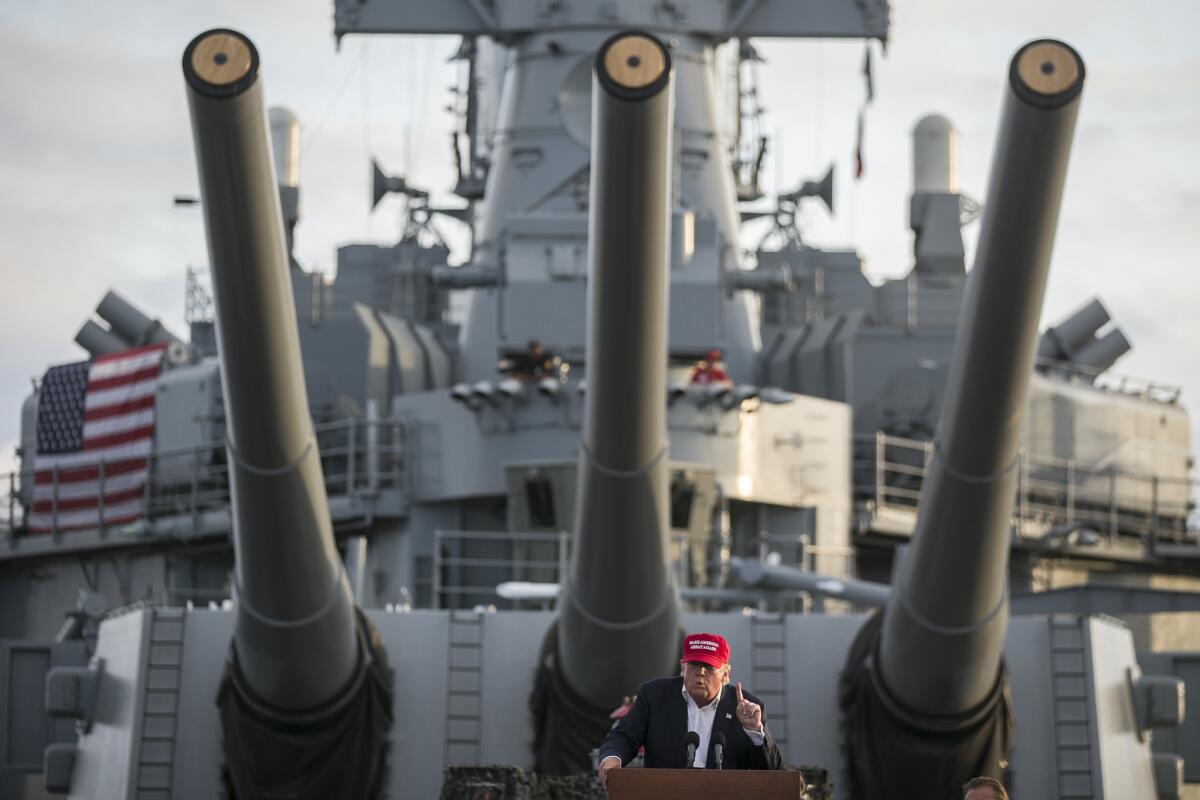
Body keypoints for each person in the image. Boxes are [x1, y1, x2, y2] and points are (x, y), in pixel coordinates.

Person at [595, 633, 784, 789]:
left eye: (709, 667)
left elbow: (772, 772)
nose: (700, 672)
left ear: (726, 674)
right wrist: (613, 759)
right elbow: (624, 736)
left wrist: (754, 731)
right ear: (682, 668)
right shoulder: (654, 695)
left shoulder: (747, 707)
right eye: (694, 665)